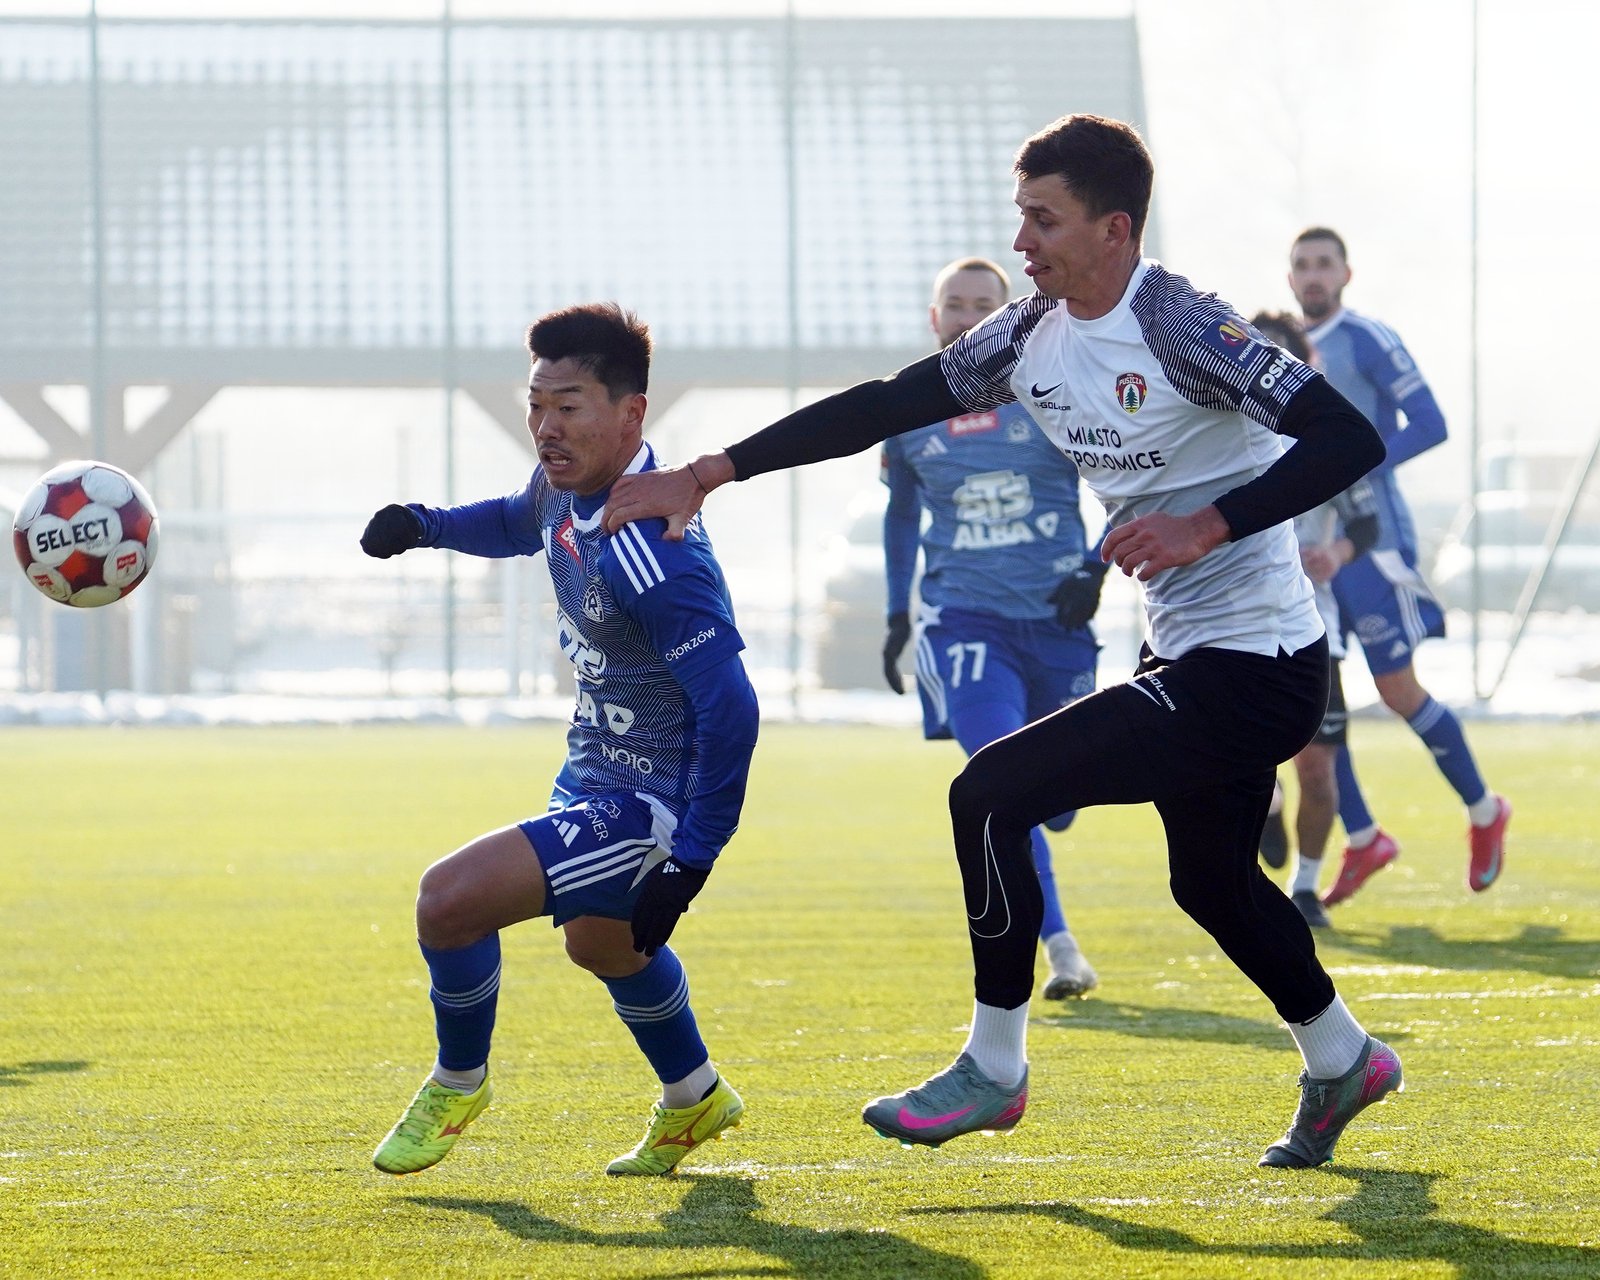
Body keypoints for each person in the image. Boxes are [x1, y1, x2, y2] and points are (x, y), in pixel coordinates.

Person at [606, 114, 1400, 1170]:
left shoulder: (1182, 326)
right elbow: (887, 404)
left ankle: (994, 1066)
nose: (1020, 242)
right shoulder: (1027, 335)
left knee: (988, 793)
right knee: (1210, 883)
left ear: (1114, 230)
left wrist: (1207, 525)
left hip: (1259, 666)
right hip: (1187, 654)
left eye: (1043, 219)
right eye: (1019, 217)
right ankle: (1343, 1058)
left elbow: (1349, 436)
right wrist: (710, 472)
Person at [359, 302, 759, 1178]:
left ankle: (458, 1083)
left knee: (448, 900)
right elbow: (517, 520)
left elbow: (732, 707)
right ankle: (696, 1096)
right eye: (536, 404)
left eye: (568, 406)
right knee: (601, 942)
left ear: (631, 412)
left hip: (655, 802)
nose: (545, 427)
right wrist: (424, 524)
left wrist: (693, 855)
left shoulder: (653, 549)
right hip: (593, 770)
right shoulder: (566, 487)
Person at [881, 255, 1102, 999]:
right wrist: (898, 613)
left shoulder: (1055, 392)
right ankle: (1062, 949)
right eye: (956, 303)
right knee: (1002, 780)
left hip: (1058, 623)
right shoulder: (907, 411)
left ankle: (1059, 824)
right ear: (933, 317)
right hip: (965, 623)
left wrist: (1094, 570)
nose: (969, 316)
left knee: (1058, 800)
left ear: (1010, 319)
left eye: (985, 304)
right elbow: (901, 515)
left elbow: (1130, 482)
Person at [1288, 228, 1512, 903]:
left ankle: (1484, 810)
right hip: (1308, 553)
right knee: (1313, 703)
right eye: (1302, 266)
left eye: (1324, 264)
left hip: (1373, 543)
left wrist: (1356, 462)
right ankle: (1363, 838)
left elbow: (1430, 422)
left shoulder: (1366, 338)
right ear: (1290, 278)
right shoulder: (1282, 348)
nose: (1313, 275)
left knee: (1396, 690)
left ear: (1346, 274)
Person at [1249, 312, 1381, 929]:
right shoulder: (1214, 434)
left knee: (1318, 766)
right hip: (1232, 619)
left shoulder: (1323, 438)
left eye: (1281, 357)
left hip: (1310, 624)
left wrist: (1337, 554)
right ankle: (1267, 805)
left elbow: (1366, 522)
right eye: (1257, 355)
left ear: (1305, 366)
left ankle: (1305, 888)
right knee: (1235, 754)